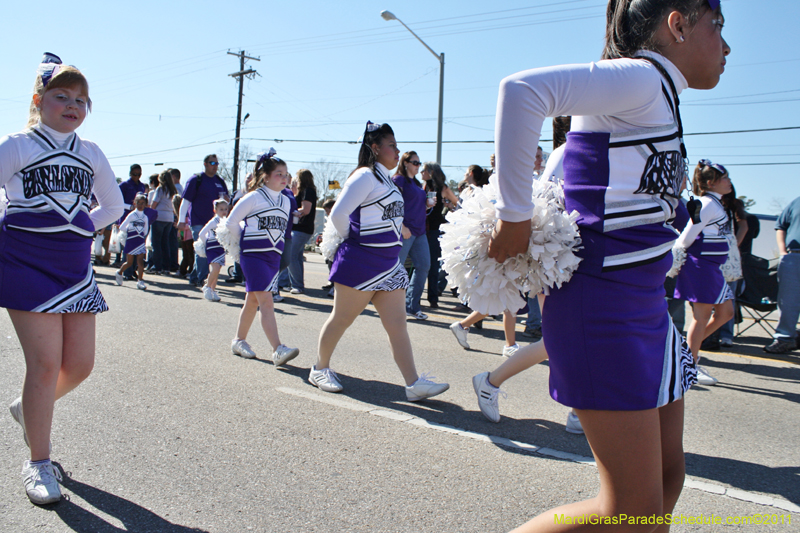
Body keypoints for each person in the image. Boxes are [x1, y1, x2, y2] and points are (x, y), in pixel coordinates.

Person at [487, 1, 730, 530]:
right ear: (679, 24)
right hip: (603, 307)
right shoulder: (642, 79)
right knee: (631, 511)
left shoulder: (660, 93)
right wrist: (514, 216)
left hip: (647, 311)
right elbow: (522, 90)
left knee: (665, 488)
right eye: (719, 27)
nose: (727, 46)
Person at [1, 53, 124, 505]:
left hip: (74, 267)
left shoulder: (90, 152)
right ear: (39, 100)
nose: (73, 105)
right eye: (62, 97)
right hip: (26, 264)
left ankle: (27, 408)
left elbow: (112, 207)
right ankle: (38, 463)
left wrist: (78, 226)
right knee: (46, 364)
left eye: (81, 100)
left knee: (81, 365)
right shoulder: (17, 144)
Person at [310, 122, 449, 401]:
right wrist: (356, 241)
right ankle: (319, 368)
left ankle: (413, 383)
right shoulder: (364, 176)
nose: (397, 151)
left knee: (398, 324)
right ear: (375, 148)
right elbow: (338, 214)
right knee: (342, 319)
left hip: (388, 264)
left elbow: (387, 217)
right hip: (361, 263)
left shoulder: (387, 179)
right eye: (392, 146)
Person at [221, 149, 299, 366]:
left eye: (286, 174)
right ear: (265, 176)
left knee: (253, 300)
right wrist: (245, 242)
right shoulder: (254, 197)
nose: (284, 178)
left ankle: (238, 341)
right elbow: (230, 223)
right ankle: (278, 349)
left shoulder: (286, 201)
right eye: (278, 174)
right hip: (253, 256)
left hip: (272, 256)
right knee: (266, 300)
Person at [671, 160, 736, 386]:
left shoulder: (715, 204)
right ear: (711, 183)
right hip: (702, 267)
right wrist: (678, 259)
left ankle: (687, 354)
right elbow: (687, 235)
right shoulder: (706, 204)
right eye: (725, 178)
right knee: (701, 318)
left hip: (712, 269)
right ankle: (690, 363)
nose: (729, 182)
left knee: (726, 313)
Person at [178, 154, 230, 287]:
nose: (215, 166)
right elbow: (185, 201)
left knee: (208, 250)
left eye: (217, 164)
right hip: (198, 221)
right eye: (212, 163)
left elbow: (226, 200)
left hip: (215, 223)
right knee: (202, 248)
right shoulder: (196, 180)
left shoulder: (220, 181)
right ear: (205, 164)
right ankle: (202, 278)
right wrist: (181, 219)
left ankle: (195, 276)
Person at [393, 151, 431, 320]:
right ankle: (389, 306)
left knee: (424, 266)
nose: (418, 166)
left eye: (419, 163)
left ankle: (411, 306)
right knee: (395, 268)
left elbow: (415, 205)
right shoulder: (398, 180)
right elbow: (391, 205)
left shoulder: (416, 183)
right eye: (415, 162)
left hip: (420, 231)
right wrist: (402, 226)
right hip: (405, 230)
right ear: (405, 163)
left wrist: (427, 205)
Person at [764, 194, 800, 354]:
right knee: (788, 301)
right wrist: (783, 252)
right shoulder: (796, 202)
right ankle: (784, 338)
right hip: (793, 257)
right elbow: (781, 226)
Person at [421, 161, 458, 309]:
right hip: (421, 229)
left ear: (431, 172)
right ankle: (417, 299)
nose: (421, 172)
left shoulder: (442, 188)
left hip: (435, 230)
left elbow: (458, 203)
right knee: (421, 265)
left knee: (433, 265)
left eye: (423, 170)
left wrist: (450, 208)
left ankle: (433, 298)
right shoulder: (422, 187)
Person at [286, 169, 318, 294]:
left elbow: (306, 209)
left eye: (297, 178)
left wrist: (292, 212)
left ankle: (297, 285)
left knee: (291, 256)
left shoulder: (307, 191)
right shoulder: (305, 191)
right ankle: (296, 284)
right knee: (297, 257)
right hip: (300, 229)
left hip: (302, 228)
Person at [195, 199, 229, 302]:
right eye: (221, 209)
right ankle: (207, 287)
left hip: (220, 248)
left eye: (226, 209)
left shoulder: (226, 221)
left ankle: (213, 290)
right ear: (215, 210)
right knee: (215, 268)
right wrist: (207, 243)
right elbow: (201, 233)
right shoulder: (214, 221)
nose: (223, 211)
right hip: (212, 247)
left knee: (217, 270)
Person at [114, 193, 150, 290]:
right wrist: (131, 230)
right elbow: (122, 227)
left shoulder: (145, 218)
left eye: (143, 203)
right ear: (135, 203)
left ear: (146, 204)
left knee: (140, 262)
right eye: (138, 203)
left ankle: (140, 281)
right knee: (129, 262)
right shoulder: (132, 215)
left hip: (140, 241)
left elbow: (145, 231)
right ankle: (119, 272)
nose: (140, 205)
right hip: (131, 240)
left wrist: (140, 235)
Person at [149, 169, 177, 274]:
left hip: (159, 217)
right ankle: (166, 267)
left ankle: (157, 266)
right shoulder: (173, 190)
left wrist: (150, 214)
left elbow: (154, 203)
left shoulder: (160, 189)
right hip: (169, 218)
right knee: (165, 243)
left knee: (156, 244)